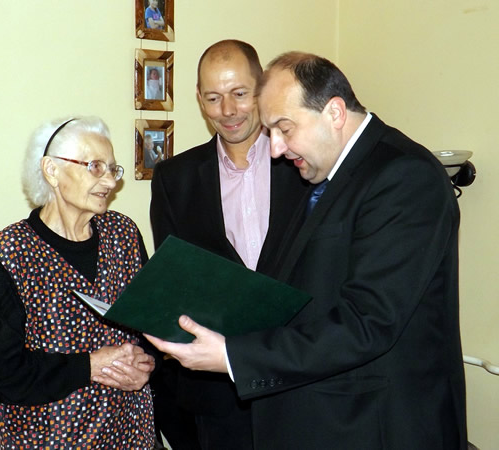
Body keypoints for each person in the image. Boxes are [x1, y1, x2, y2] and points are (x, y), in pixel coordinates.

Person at [146, 51, 468, 449]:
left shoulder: (404, 176)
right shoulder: (332, 173)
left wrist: (233, 356)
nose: (275, 149)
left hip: (378, 425)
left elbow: (367, 322)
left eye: (284, 128)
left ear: (334, 113)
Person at [149, 40, 307, 450]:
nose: (228, 110)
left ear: (262, 88)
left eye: (239, 93)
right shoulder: (173, 179)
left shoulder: (305, 163)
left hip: (302, 379)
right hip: (218, 396)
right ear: (199, 99)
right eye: (213, 98)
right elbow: (176, 282)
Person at [0, 117, 157, 449]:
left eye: (112, 169)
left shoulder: (124, 235)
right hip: (47, 437)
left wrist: (148, 363)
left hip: (129, 434)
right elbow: (1, 372)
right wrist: (90, 365)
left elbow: (152, 326)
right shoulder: (12, 251)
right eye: (95, 167)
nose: (109, 181)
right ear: (52, 170)